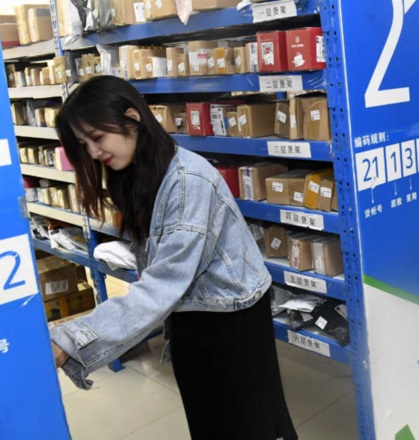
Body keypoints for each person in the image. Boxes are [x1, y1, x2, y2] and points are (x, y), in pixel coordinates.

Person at [49, 76, 297, 440]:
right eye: (84, 145)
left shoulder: (187, 182)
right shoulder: (141, 174)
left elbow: (160, 286)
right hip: (189, 316)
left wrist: (72, 338)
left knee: (250, 425)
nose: (92, 153)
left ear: (132, 118)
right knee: (210, 422)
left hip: (231, 321)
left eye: (97, 138)